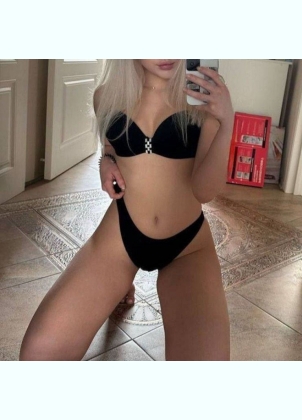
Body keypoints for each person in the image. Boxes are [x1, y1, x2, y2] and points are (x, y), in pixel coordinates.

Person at [19, 60, 234, 361]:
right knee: (38, 354)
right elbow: (110, 145)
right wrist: (106, 160)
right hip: (121, 236)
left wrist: (226, 124)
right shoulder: (107, 96)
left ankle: (120, 284)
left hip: (187, 247)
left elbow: (204, 191)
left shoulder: (201, 100)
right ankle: (120, 282)